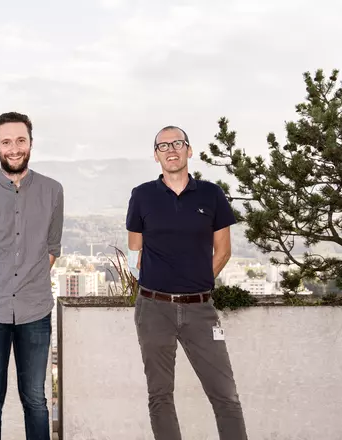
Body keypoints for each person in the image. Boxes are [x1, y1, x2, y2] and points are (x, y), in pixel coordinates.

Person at [126, 126, 248, 440]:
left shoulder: (211, 194)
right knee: (160, 395)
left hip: (201, 310)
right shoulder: (141, 196)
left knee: (226, 395)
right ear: (156, 155)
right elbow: (134, 253)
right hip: (153, 310)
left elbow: (224, 250)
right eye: (163, 145)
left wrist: (198, 282)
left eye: (177, 143)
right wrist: (156, 286)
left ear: (188, 150)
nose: (171, 149)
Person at [0, 111, 64, 440]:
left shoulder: (53, 191)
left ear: (31, 143)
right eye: (7, 142)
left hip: (35, 311)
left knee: (36, 400)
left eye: (21, 140)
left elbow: (52, 247)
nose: (14, 148)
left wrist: (26, 283)